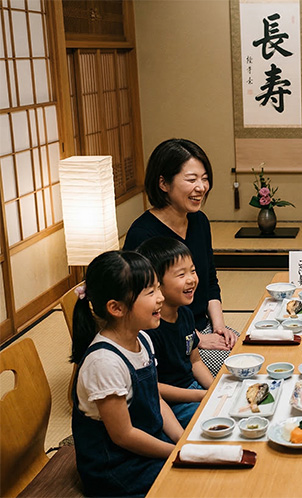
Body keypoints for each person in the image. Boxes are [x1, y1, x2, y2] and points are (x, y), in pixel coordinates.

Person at [70, 251, 182, 497]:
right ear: (116, 308)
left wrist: (182, 440)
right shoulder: (104, 362)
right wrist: (175, 452)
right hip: (118, 467)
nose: (161, 297)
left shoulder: (142, 338)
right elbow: (123, 435)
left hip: (146, 446)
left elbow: (156, 398)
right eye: (150, 292)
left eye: (158, 288)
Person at [123, 138, 236, 375]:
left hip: (202, 326)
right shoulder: (143, 234)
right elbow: (142, 305)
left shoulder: (200, 221)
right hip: (168, 337)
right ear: (163, 183)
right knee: (232, 372)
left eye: (204, 179)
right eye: (191, 179)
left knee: (251, 352)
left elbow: (210, 282)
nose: (201, 187)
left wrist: (219, 327)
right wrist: (199, 340)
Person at [137, 237, 214, 427]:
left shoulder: (186, 314)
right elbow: (152, 388)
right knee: (215, 421)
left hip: (191, 389)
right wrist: (200, 396)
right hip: (169, 404)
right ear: (156, 283)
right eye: (181, 275)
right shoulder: (149, 329)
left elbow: (195, 361)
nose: (191, 279)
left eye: (193, 271)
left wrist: (215, 388)